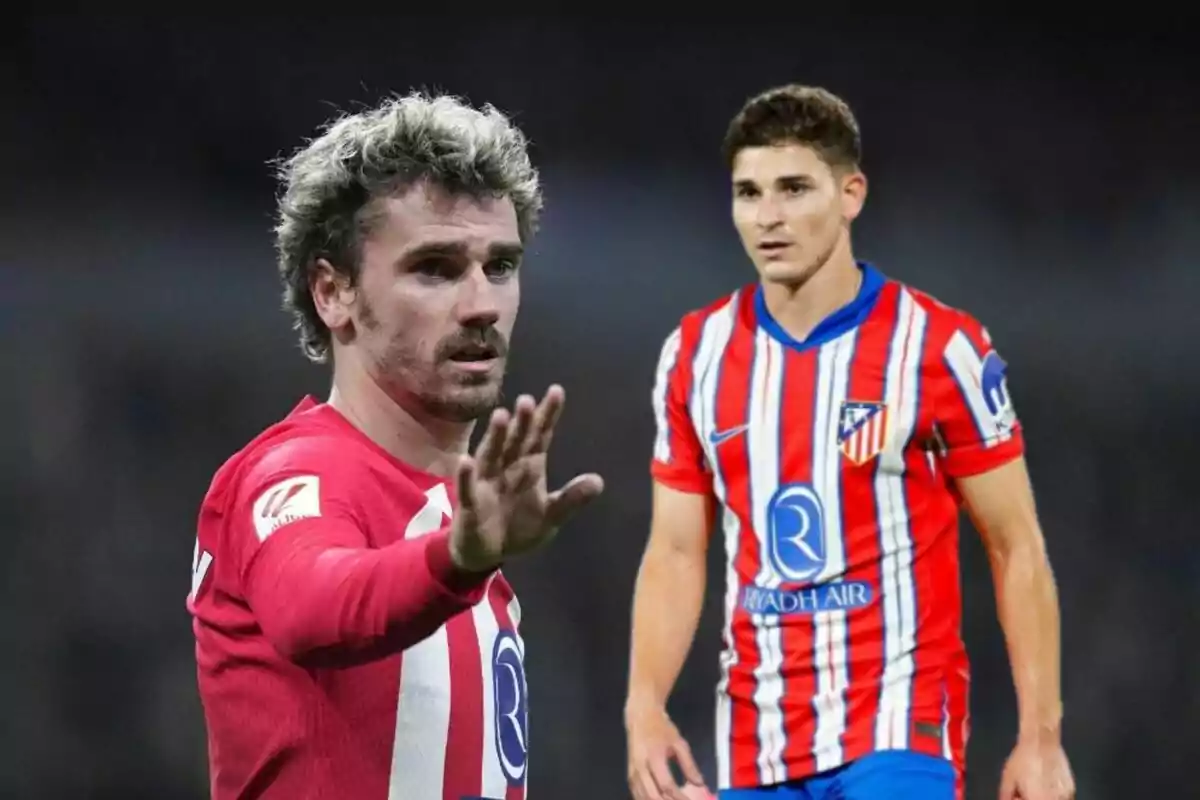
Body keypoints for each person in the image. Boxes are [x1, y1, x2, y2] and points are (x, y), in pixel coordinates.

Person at [624, 85, 1075, 800]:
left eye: (794, 188)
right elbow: (676, 550)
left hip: (900, 730)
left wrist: (1040, 737)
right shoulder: (694, 354)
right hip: (756, 743)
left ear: (850, 193)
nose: (767, 217)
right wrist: (644, 708)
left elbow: (1015, 543)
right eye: (748, 193)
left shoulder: (939, 345)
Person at [188, 92, 603, 800]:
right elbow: (312, 608)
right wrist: (457, 559)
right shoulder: (296, 473)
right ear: (334, 292)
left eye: (500, 266)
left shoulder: (462, 531)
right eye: (435, 268)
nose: (480, 304)